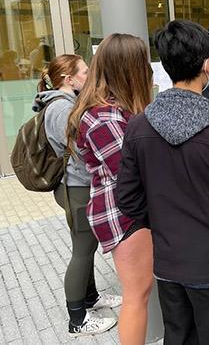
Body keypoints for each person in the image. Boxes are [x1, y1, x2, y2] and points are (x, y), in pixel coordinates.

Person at [116, 20, 209, 345]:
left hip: (169, 264)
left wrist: (162, 226)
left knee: (179, 338)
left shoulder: (139, 125)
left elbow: (127, 199)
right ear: (208, 64)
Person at [67, 34, 154, 345]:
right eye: (142, 62)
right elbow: (132, 172)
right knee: (137, 294)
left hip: (124, 209)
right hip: (122, 213)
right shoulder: (103, 117)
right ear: (128, 69)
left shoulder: (112, 109)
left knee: (140, 292)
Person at [33, 55, 119, 336]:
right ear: (69, 79)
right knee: (82, 251)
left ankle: (91, 298)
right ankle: (77, 320)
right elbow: (80, 150)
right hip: (77, 188)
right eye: (84, 71)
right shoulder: (60, 108)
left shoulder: (67, 103)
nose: (88, 75)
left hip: (80, 186)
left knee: (87, 247)